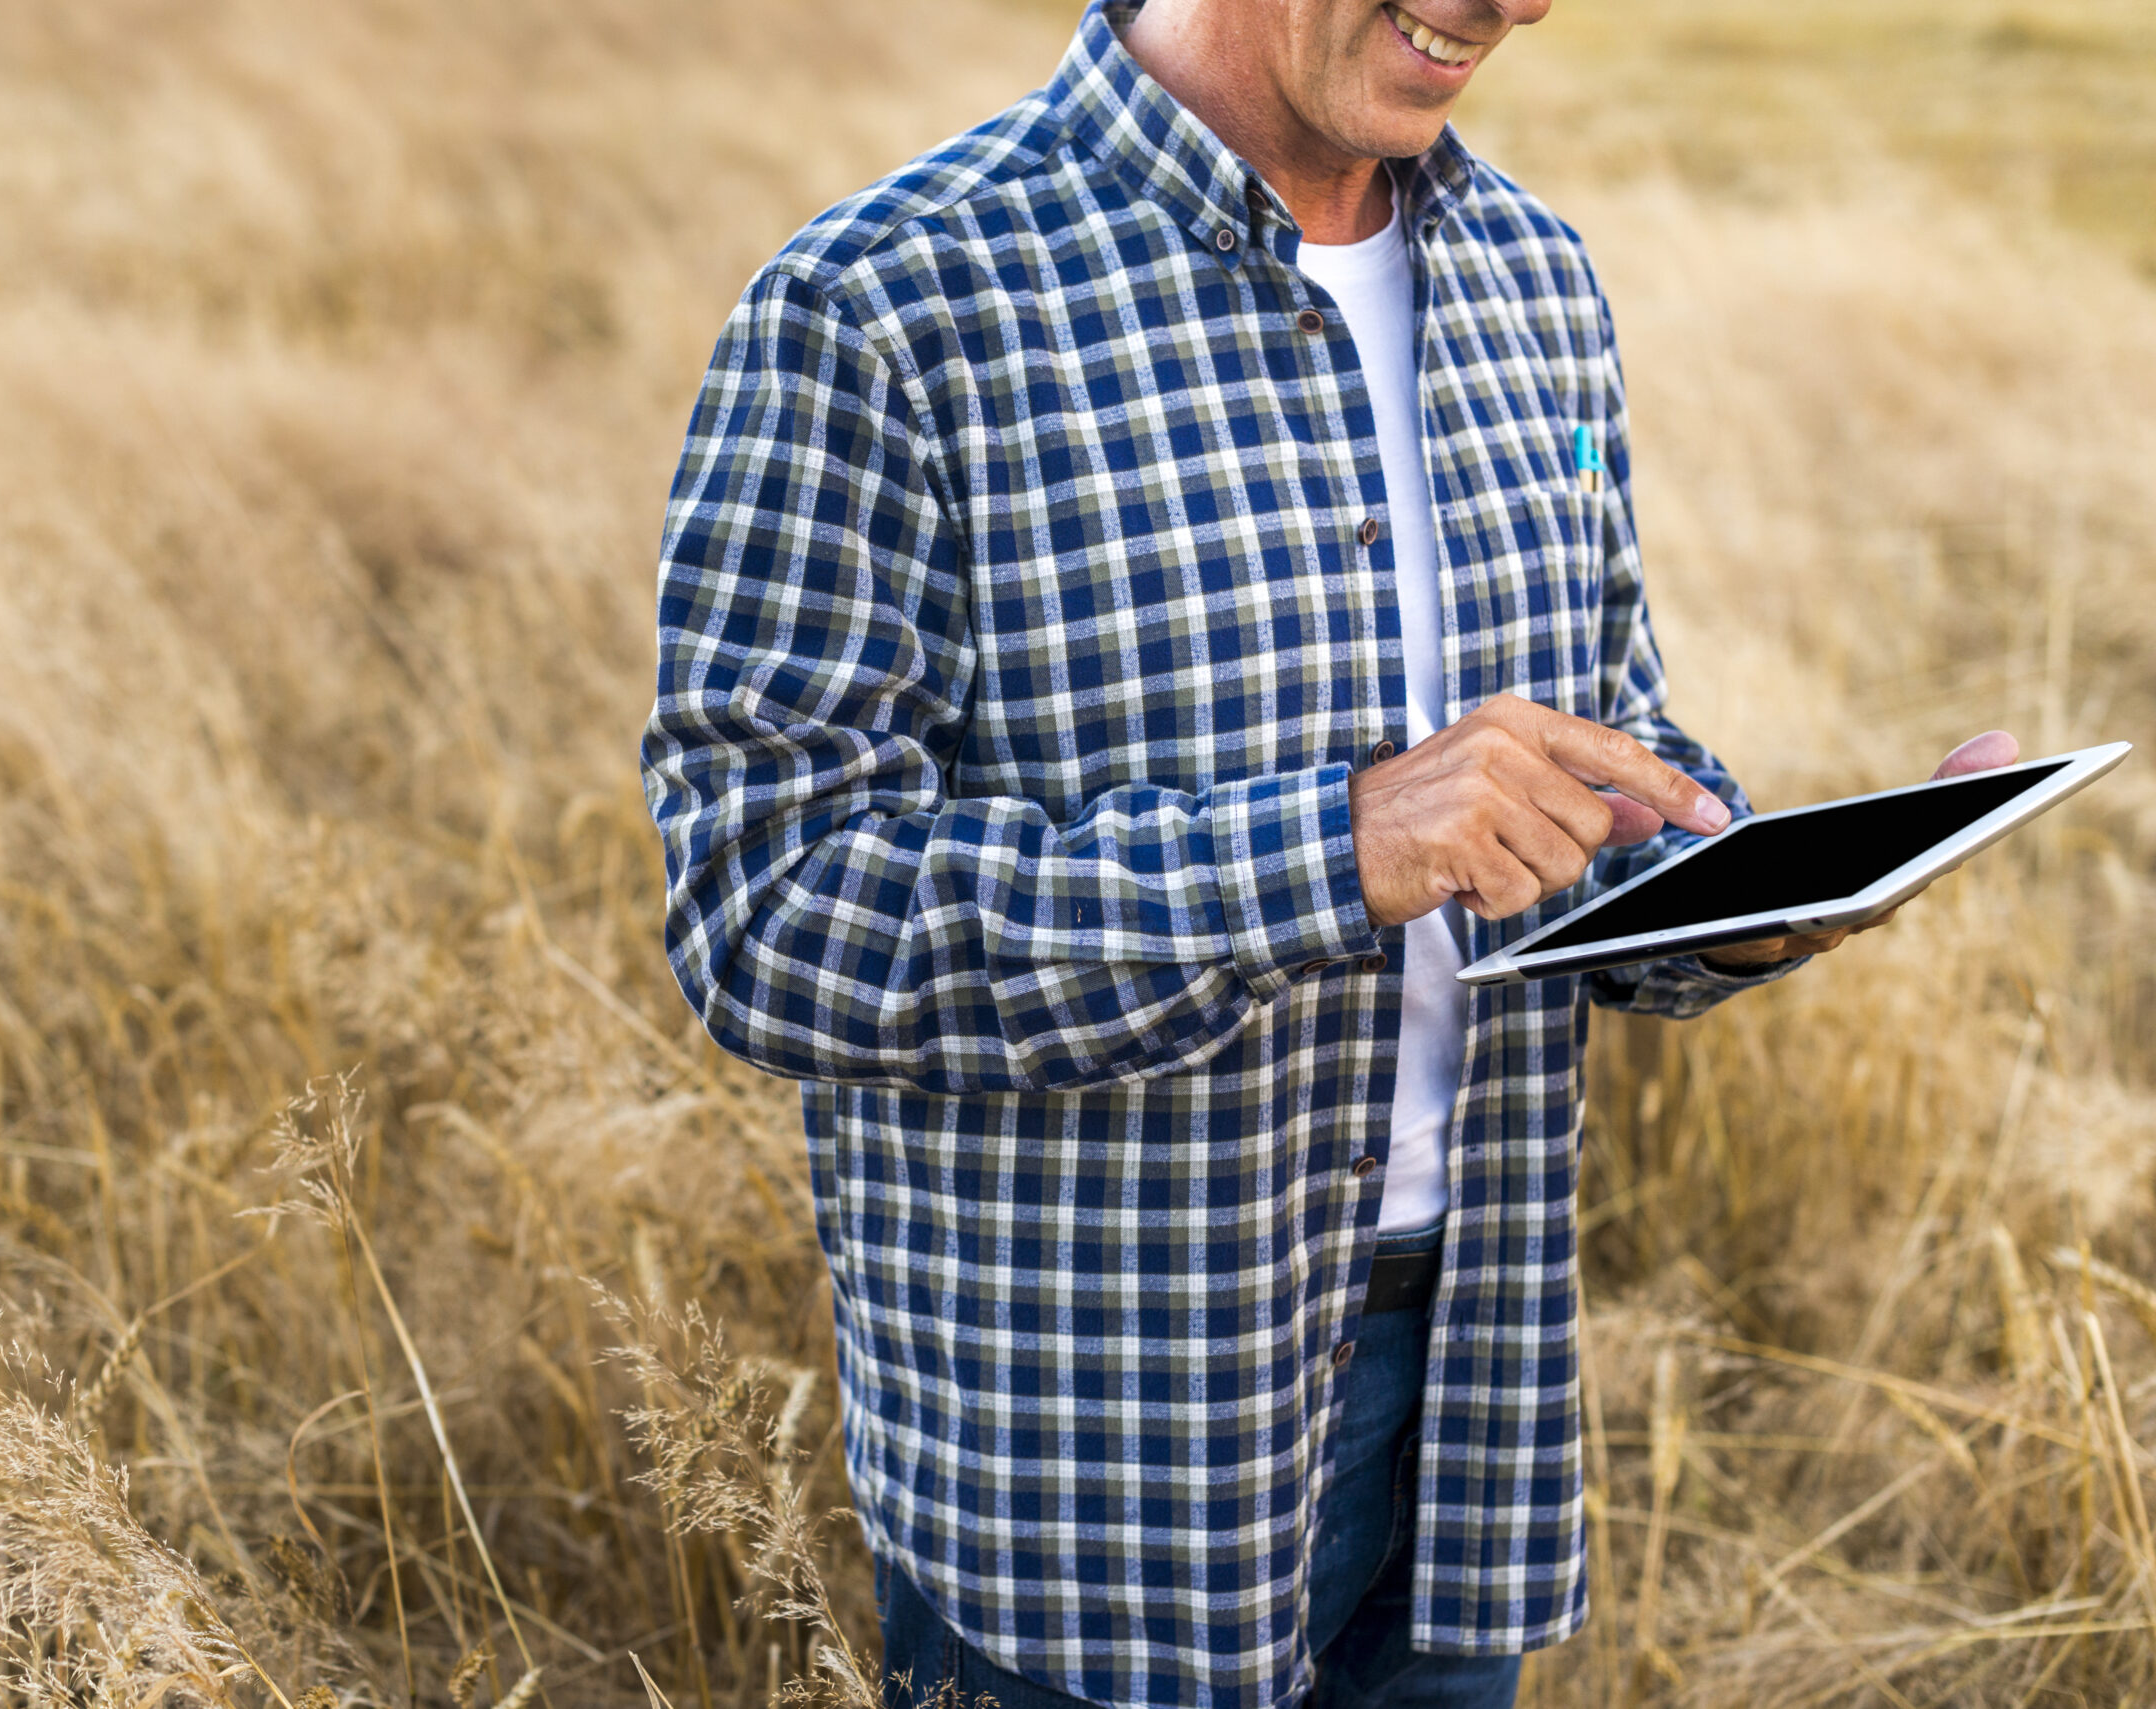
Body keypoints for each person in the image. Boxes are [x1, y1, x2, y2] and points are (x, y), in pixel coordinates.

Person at [640, 2, 2012, 1702]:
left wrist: (1734, 907)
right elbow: (767, 910)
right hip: (1106, 1460)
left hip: (1474, 1400)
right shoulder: (890, 305)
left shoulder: (1537, 280)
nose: (1512, 4)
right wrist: (1335, 848)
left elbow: (1590, 772)